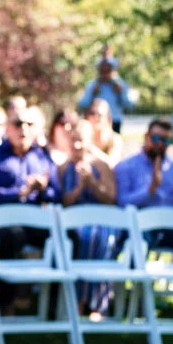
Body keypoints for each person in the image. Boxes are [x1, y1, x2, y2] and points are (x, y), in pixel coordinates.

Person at [0, 106, 60, 315]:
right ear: (7, 128)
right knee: (13, 236)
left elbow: (57, 194)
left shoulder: (42, 157)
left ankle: (53, 305)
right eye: (18, 123)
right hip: (2, 222)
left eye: (29, 124)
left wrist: (43, 189)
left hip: (35, 220)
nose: (23, 129)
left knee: (67, 238)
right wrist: (18, 193)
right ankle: (6, 304)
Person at [62, 120, 118, 320]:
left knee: (100, 240)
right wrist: (79, 188)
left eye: (81, 141)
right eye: (73, 141)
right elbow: (64, 202)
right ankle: (76, 302)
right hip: (75, 221)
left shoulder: (101, 165)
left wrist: (92, 183)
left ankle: (98, 304)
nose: (77, 146)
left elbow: (110, 199)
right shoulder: (64, 168)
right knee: (81, 238)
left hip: (102, 220)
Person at [115, 118, 173, 252]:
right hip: (143, 229)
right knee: (136, 244)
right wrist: (151, 189)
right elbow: (121, 203)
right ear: (146, 137)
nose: (160, 144)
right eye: (155, 138)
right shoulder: (126, 166)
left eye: (166, 140)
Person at [79, 58, 132, 133]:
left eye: (108, 71)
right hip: (96, 122)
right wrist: (92, 94)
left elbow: (128, 105)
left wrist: (120, 94)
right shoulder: (93, 85)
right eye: (102, 71)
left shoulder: (119, 85)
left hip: (115, 121)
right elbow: (82, 104)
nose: (105, 74)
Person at [84, 98, 123, 167]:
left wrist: (90, 147)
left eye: (100, 114)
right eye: (92, 113)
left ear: (108, 118)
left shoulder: (115, 139)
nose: (96, 117)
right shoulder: (84, 136)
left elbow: (112, 165)